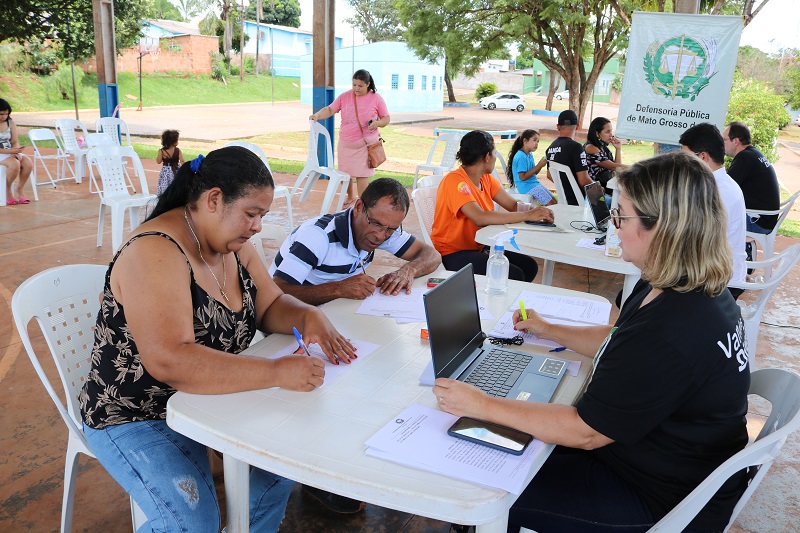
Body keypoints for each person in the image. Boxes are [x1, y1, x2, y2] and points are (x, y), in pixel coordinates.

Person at [434, 150, 750, 533]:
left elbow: (585, 432)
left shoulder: (674, 329)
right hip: (652, 459)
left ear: (662, 227)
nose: (614, 227)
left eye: (621, 216)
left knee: (483, 484)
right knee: (506, 442)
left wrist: (481, 404)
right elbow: (619, 338)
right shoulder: (680, 286)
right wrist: (550, 330)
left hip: (660, 498)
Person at [79, 146, 356, 533]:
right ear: (214, 200)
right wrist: (276, 371)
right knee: (193, 522)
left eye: (261, 216)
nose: (257, 226)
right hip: (137, 412)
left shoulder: (232, 246)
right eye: (252, 214)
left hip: (210, 399)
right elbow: (170, 360)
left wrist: (309, 315)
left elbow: (271, 304)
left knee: (285, 460)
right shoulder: (156, 250)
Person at [270, 177, 441, 306]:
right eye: (376, 224)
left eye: (391, 229)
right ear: (358, 207)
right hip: (295, 316)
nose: (381, 236)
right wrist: (338, 289)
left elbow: (431, 255)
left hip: (336, 308)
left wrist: (407, 271)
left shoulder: (384, 228)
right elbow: (277, 291)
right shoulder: (317, 236)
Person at [430, 130, 554, 282]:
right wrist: (528, 215)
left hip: (479, 246)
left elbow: (513, 206)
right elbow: (480, 217)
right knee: (514, 275)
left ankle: (504, 301)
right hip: (451, 253)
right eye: (494, 153)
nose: (495, 157)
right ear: (487, 157)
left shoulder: (485, 179)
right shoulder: (455, 181)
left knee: (529, 266)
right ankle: (498, 303)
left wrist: (538, 212)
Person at [309, 69, 390, 208]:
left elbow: (386, 118)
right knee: (344, 174)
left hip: (366, 145)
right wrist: (317, 115)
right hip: (346, 144)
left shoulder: (376, 98)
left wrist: (377, 123)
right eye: (354, 85)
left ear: (368, 84)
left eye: (360, 86)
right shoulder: (345, 96)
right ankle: (351, 196)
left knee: (362, 175)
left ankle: (363, 204)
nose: (356, 89)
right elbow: (330, 109)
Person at [679, 122, 747, 283]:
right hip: (716, 269)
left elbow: (692, 240)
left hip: (719, 281)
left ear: (703, 157)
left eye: (686, 158)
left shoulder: (717, 191)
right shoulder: (719, 183)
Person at [723, 121, 781, 235]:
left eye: (724, 140)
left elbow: (725, 189)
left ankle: (740, 250)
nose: (721, 144)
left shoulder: (745, 158)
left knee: (711, 219)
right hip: (764, 219)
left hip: (757, 221)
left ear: (735, 141)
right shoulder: (752, 153)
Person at [544, 109, 590, 205]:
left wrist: (563, 187)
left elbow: (549, 175)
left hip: (563, 199)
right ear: (577, 126)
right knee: (609, 200)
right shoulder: (577, 148)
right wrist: (599, 191)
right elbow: (584, 181)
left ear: (558, 127)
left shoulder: (550, 148)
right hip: (580, 201)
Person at [506, 129, 555, 206]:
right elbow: (522, 177)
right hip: (526, 186)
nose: (536, 144)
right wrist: (539, 165)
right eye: (534, 140)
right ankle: (547, 217)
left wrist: (541, 165)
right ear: (525, 141)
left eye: (538, 141)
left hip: (533, 183)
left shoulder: (529, 154)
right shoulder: (521, 156)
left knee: (554, 201)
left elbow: (534, 172)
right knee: (551, 204)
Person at [0, 98, 33, 205]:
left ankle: (19, 189)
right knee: (14, 164)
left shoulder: (11, 123)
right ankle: (7, 190)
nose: (4, 116)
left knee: (27, 162)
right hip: (2, 152)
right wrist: (9, 151)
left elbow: (15, 141)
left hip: (9, 151)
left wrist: (16, 151)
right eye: (1, 114)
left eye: (7, 114)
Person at [584, 117, 627, 188]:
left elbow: (617, 167)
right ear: (597, 134)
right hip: (597, 189)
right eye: (607, 132)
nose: (611, 135)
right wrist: (636, 168)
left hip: (607, 184)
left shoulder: (602, 147)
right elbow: (613, 167)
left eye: (611, 131)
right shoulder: (591, 148)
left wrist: (618, 148)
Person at [156, 128, 184, 194]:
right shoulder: (178, 150)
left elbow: (158, 161)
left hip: (166, 171)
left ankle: (164, 196)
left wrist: (159, 153)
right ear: (173, 142)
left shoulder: (162, 151)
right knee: (176, 184)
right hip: (176, 169)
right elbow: (182, 161)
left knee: (165, 186)